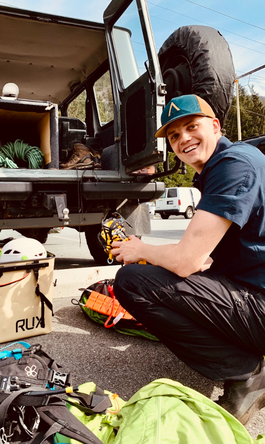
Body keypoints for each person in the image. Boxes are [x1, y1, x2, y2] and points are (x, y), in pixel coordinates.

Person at [111, 94, 265, 425]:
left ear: (215, 126)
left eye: (191, 127)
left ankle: (245, 374)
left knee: (133, 281)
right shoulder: (228, 164)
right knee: (162, 273)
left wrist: (140, 250)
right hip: (255, 293)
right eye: (174, 135)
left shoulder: (233, 165)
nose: (184, 140)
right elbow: (207, 255)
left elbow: (186, 260)